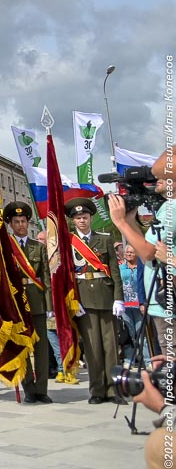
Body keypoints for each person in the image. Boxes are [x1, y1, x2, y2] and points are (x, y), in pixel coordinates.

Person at [108, 145, 175, 361]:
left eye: (163, 178)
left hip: (166, 301)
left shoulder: (171, 209)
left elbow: (148, 253)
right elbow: (145, 244)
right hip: (161, 298)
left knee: (169, 363)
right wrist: (129, 221)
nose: (157, 182)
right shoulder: (167, 208)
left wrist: (119, 222)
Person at [67, 197, 124, 405]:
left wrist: (119, 298)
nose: (82, 221)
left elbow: (115, 272)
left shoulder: (105, 239)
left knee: (111, 346)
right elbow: (66, 275)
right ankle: (97, 391)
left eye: (85, 217)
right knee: (92, 348)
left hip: (106, 296)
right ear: (73, 221)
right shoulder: (68, 242)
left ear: (91, 218)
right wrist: (74, 300)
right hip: (83, 298)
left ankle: (113, 390)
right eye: (78, 218)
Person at [3, 201, 52, 404]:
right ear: (11, 224)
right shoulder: (5, 248)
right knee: (22, 347)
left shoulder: (37, 248)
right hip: (16, 303)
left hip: (37, 300)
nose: (21, 225)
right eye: (16, 221)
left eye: (23, 221)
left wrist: (49, 306)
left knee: (40, 348)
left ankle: (42, 389)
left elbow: (47, 278)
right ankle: (29, 389)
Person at [118, 245, 149, 366]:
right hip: (125, 306)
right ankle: (129, 360)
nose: (129, 254)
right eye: (127, 252)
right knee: (129, 335)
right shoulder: (121, 268)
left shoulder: (142, 268)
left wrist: (144, 302)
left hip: (139, 306)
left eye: (131, 252)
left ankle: (147, 360)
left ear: (137, 254)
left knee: (141, 334)